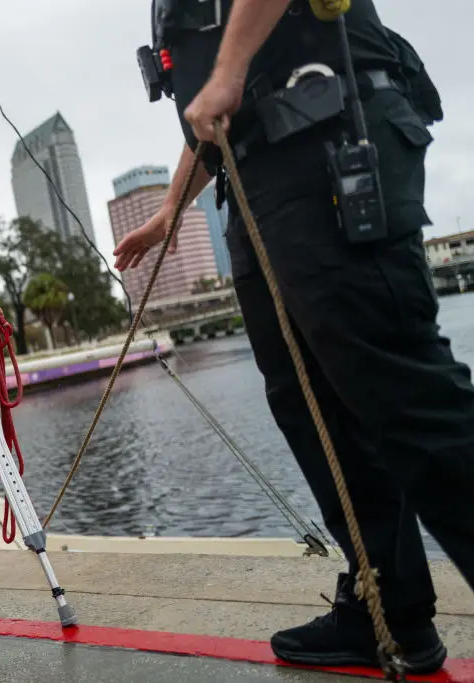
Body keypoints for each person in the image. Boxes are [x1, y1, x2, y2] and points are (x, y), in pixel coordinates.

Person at [117, 0, 473, 674]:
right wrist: (169, 210)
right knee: (310, 404)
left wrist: (227, 73)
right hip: (256, 172)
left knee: (404, 391)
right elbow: (219, 105)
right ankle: (389, 611)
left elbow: (228, 78)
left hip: (325, 136)